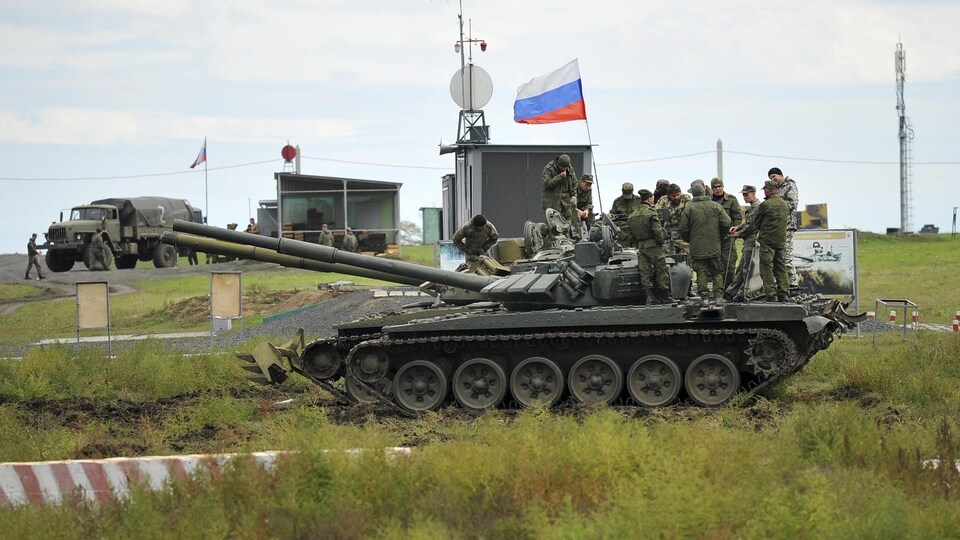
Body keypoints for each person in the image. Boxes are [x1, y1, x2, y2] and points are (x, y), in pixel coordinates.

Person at [731, 180, 789, 302]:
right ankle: (784, 293)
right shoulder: (784, 204)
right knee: (780, 267)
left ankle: (771, 294)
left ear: (768, 190)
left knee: (766, 267)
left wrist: (740, 233)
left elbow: (755, 224)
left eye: (765, 190)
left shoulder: (765, 205)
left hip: (767, 241)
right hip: (780, 241)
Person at [678, 182, 730, 302]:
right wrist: (719, 236)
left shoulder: (689, 208)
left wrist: (690, 239)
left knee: (701, 271)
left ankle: (705, 298)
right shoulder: (715, 206)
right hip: (714, 245)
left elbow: (682, 228)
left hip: (697, 247)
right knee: (717, 271)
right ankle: (718, 297)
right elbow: (726, 222)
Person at [628, 189, 674, 305]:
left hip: (641, 245)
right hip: (653, 244)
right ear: (649, 199)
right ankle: (664, 295)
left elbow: (630, 234)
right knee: (661, 269)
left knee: (645, 271)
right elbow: (657, 231)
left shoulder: (633, 215)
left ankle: (649, 297)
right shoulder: (651, 213)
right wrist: (660, 241)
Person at [725, 185, 759, 301]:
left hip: (752, 240)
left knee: (747, 269)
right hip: (748, 241)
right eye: (743, 195)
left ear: (753, 193)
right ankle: (731, 292)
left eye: (746, 194)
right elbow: (747, 223)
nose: (744, 197)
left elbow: (752, 226)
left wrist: (738, 234)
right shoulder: (752, 207)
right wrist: (738, 227)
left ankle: (744, 294)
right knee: (741, 268)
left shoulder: (757, 207)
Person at [768, 167, 799, 288]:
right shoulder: (777, 189)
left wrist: (776, 205)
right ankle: (782, 283)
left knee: (786, 257)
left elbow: (792, 204)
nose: (773, 179)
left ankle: (792, 283)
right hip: (778, 226)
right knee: (778, 257)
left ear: (780, 175)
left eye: (774, 176)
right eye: (770, 178)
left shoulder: (790, 185)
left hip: (787, 225)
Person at [710, 177, 743, 286]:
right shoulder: (709, 201)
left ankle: (729, 288)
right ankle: (717, 288)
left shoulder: (731, 200)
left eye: (719, 186)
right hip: (713, 238)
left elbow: (737, 217)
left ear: (723, 187)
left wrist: (735, 230)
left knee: (729, 264)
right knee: (714, 265)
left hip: (728, 237)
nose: (718, 189)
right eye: (715, 187)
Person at [541, 154, 578, 237]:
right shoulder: (549, 168)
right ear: (558, 164)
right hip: (552, 202)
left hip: (566, 203)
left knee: (567, 224)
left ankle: (567, 242)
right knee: (553, 227)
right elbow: (547, 184)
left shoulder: (570, 170)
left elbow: (575, 184)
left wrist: (574, 196)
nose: (564, 169)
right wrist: (559, 177)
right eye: (562, 167)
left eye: (566, 167)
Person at [655, 183, 692, 254]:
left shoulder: (686, 198)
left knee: (688, 252)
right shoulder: (663, 200)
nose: (676, 197)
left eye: (678, 194)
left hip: (683, 232)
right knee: (667, 253)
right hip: (668, 232)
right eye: (673, 196)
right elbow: (656, 213)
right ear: (669, 195)